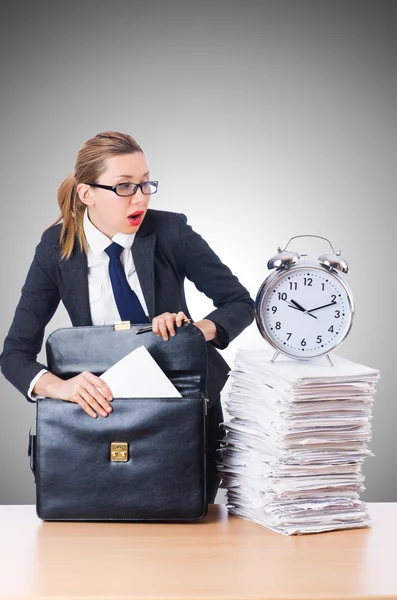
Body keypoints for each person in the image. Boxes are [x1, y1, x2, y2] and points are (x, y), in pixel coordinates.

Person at [0, 131, 255, 503]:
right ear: (87, 194)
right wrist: (61, 388)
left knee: (188, 525)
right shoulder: (56, 249)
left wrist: (195, 330)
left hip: (185, 408)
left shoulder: (171, 232)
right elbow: (14, 354)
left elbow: (239, 303)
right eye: (124, 187)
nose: (140, 198)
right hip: (107, 417)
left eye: (145, 184)